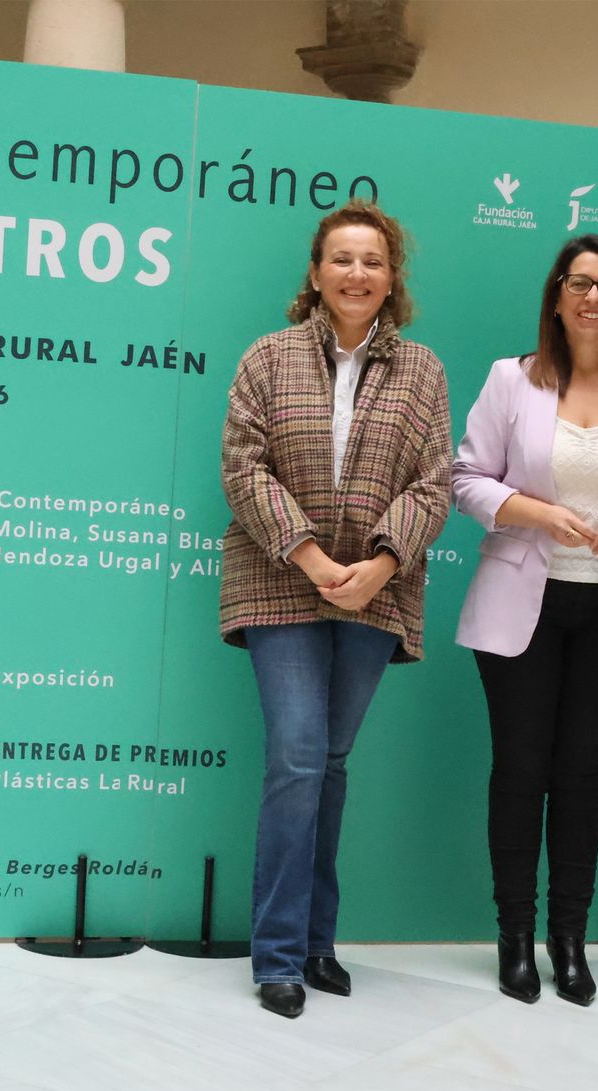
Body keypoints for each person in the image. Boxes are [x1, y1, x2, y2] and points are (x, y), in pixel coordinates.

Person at [220, 200, 452, 1019]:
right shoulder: (267, 357)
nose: (358, 273)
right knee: (297, 755)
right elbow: (243, 468)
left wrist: (379, 565)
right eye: (342, 258)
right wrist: (314, 557)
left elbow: (435, 483)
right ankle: (278, 953)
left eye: (374, 261)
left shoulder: (421, 370)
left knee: (331, 761)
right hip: (281, 579)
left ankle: (318, 940)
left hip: (374, 590)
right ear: (315, 272)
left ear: (393, 281)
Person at [452, 234, 598, 1006]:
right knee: (520, 773)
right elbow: (466, 478)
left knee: (582, 778)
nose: (593, 297)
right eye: (580, 283)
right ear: (556, 296)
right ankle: (514, 936)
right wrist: (535, 511)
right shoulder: (510, 379)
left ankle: (569, 939)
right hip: (523, 602)